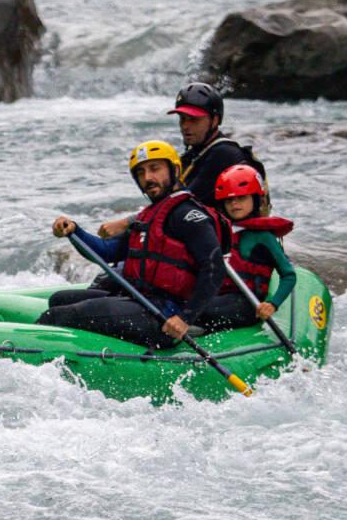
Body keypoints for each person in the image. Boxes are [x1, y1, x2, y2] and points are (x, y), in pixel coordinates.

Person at [37, 141, 237, 349]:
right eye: (141, 173)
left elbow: (214, 268)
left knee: (57, 316)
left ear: (175, 170)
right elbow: (107, 252)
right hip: (140, 300)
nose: (147, 178)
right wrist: (74, 231)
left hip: (164, 316)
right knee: (60, 299)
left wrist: (185, 318)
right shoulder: (149, 216)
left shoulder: (188, 214)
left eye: (155, 169)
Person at [97, 82, 262, 238]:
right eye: (182, 119)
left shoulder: (225, 155)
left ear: (215, 120)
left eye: (194, 120)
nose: (185, 126)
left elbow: (179, 204)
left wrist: (126, 223)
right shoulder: (194, 155)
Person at [216, 164, 296, 324]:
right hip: (220, 298)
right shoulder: (219, 232)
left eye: (241, 198)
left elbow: (289, 275)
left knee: (199, 311)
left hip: (248, 303)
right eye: (229, 200)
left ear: (256, 199)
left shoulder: (263, 236)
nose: (234, 204)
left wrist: (273, 304)